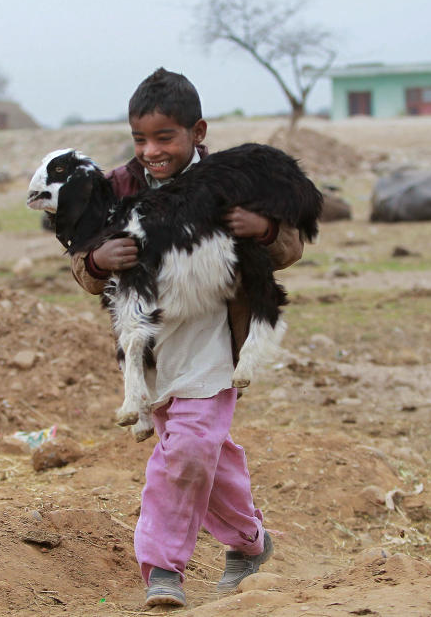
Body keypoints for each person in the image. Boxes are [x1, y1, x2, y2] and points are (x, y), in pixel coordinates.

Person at [69, 67, 306, 607]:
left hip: (216, 341)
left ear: (197, 132)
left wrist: (263, 231)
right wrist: (97, 261)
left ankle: (162, 568)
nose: (151, 150)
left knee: (190, 447)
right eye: (139, 139)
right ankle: (250, 543)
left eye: (164, 138)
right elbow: (81, 262)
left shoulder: (234, 180)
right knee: (199, 451)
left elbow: (291, 244)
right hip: (151, 349)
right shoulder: (117, 187)